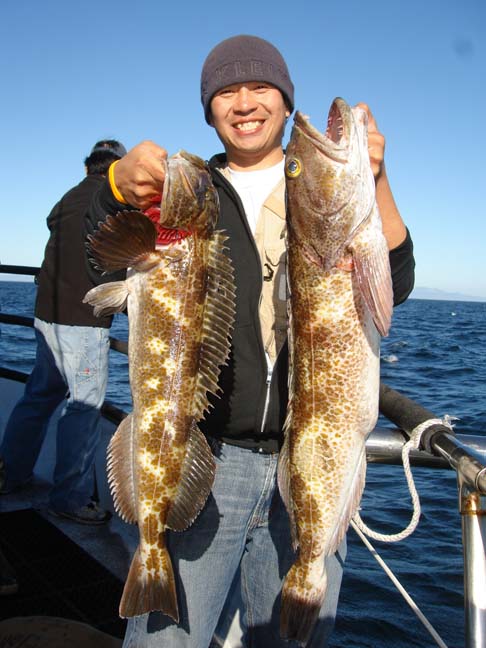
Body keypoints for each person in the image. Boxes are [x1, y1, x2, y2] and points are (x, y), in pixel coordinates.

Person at [85, 35, 415, 647]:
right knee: (165, 638)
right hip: (206, 452)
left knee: (291, 635)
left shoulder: (312, 176)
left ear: (286, 103)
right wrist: (113, 183)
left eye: (260, 87)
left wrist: (375, 179)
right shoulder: (189, 194)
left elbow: (394, 280)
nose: (244, 103)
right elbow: (97, 241)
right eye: (225, 92)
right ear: (209, 110)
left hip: (308, 459)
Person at [0, 139, 127, 525]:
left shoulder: (68, 199)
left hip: (46, 317)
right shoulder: (111, 201)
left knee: (38, 397)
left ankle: (12, 474)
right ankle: (70, 498)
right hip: (83, 321)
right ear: (117, 168)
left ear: (89, 164)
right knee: (83, 409)